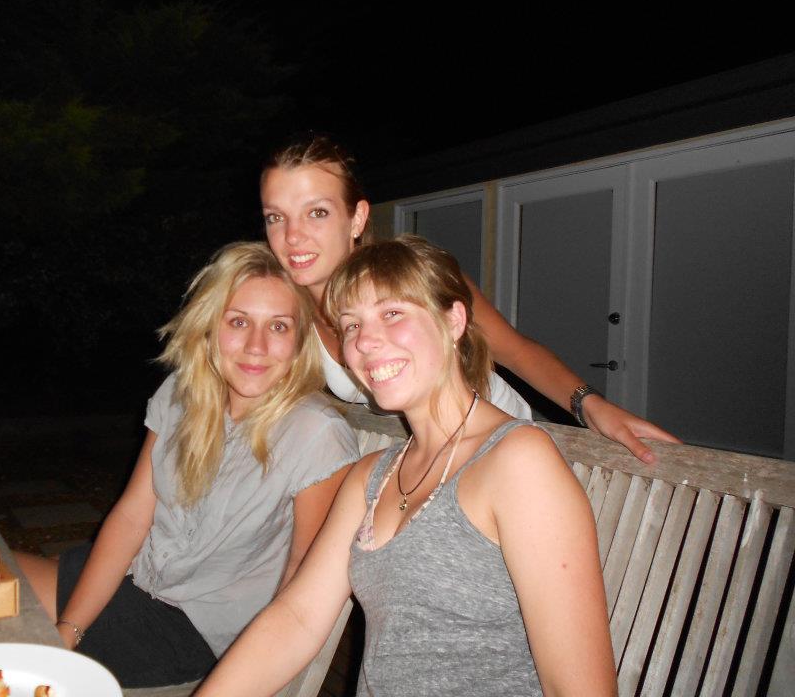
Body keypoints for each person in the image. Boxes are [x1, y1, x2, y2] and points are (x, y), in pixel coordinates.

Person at [195, 235, 617, 697]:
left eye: (392, 314)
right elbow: (297, 618)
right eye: (351, 325)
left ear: (453, 321)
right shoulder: (370, 478)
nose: (365, 342)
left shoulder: (517, 463)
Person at [15, 242, 360, 688]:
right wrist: (70, 629)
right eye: (239, 321)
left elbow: (302, 585)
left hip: (191, 630)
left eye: (278, 326)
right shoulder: (182, 393)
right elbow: (132, 516)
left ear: (299, 340)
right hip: (133, 577)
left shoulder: (315, 434)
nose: (256, 346)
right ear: (210, 325)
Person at [260, 133, 677, 463]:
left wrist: (589, 405)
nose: (293, 236)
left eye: (317, 212)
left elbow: (516, 352)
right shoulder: (288, 310)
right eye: (276, 217)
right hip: (420, 457)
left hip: (497, 447)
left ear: (357, 218)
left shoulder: (413, 280)